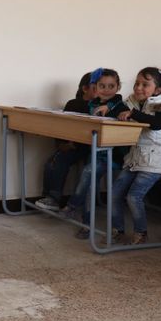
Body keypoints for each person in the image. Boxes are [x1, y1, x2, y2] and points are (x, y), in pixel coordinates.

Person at [112, 67, 161, 245]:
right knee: (115, 193)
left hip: (157, 161)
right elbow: (118, 110)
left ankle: (141, 233)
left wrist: (133, 114)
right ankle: (118, 230)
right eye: (137, 83)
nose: (138, 87)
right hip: (137, 158)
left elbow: (159, 123)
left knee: (134, 196)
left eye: (145, 84)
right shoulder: (135, 101)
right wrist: (110, 108)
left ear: (158, 89)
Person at [59, 68, 130, 238]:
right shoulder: (92, 104)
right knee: (90, 187)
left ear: (118, 87)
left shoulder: (120, 105)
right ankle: (86, 225)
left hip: (114, 154)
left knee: (88, 171)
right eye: (102, 86)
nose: (106, 90)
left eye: (111, 86)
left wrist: (109, 109)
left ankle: (72, 205)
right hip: (95, 152)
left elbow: (120, 122)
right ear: (95, 87)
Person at [34, 72, 95, 211]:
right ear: (85, 89)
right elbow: (63, 125)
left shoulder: (99, 106)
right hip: (72, 144)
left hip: (87, 145)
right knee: (52, 162)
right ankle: (49, 197)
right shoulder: (73, 103)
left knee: (59, 160)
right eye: (96, 87)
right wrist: (62, 144)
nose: (100, 90)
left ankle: (53, 198)